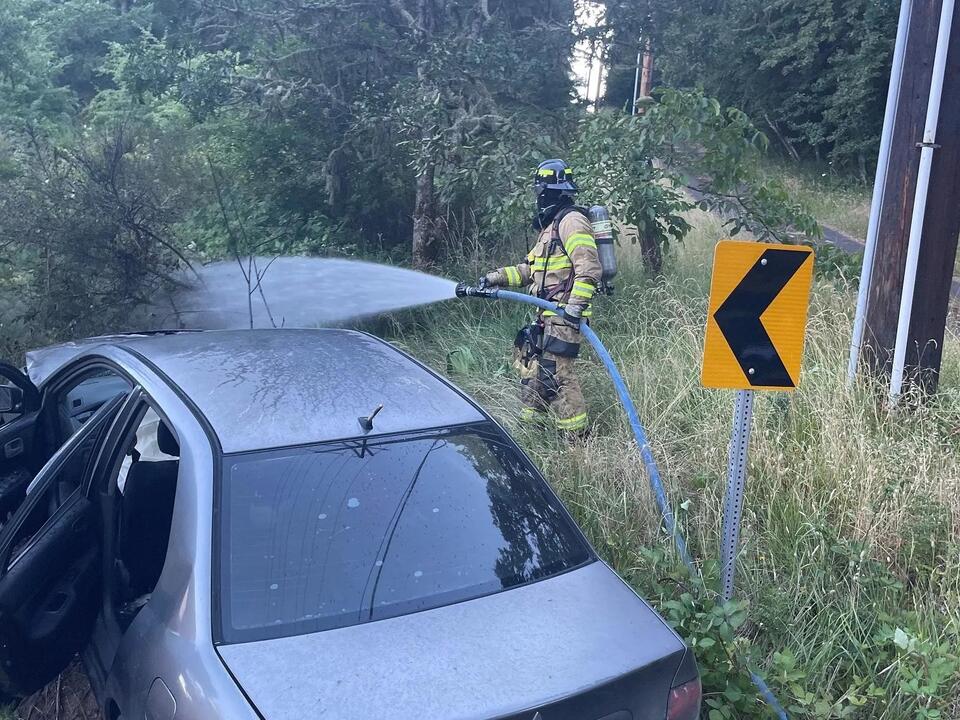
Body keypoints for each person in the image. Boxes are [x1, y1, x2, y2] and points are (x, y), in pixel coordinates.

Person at [480, 159, 602, 434]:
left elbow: (589, 268)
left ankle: (577, 441)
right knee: (532, 374)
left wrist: (574, 307)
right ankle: (533, 434)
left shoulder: (572, 221)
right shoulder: (550, 228)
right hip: (545, 316)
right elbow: (529, 270)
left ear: (551, 190)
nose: (538, 197)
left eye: (541, 190)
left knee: (558, 377)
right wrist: (495, 277)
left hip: (563, 318)